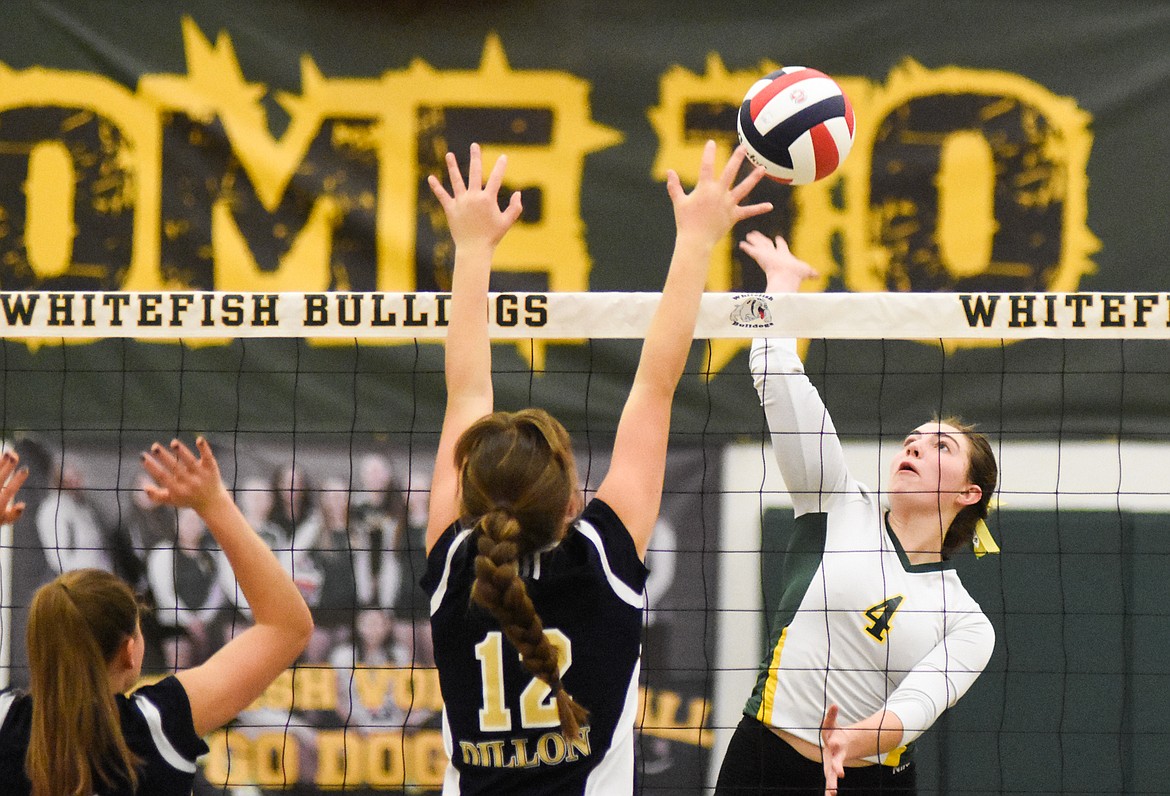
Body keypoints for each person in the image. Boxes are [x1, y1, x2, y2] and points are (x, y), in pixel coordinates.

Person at [421, 140, 770, 794]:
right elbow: (656, 385)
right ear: (570, 504)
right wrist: (697, 238)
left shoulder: (454, 567)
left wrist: (470, 250)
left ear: (468, 498)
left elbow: (467, 392)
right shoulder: (598, 564)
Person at [713, 233, 998, 796]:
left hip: (870, 781)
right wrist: (781, 286)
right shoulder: (835, 498)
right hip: (765, 761)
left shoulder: (967, 622)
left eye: (940, 448)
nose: (914, 447)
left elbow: (917, 707)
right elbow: (776, 374)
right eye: (913, 440)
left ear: (970, 494)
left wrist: (852, 742)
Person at [0, 437, 313, 795]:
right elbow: (287, 626)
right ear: (131, 651)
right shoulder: (159, 725)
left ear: (37, 651)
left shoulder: (6, 722)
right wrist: (214, 503)